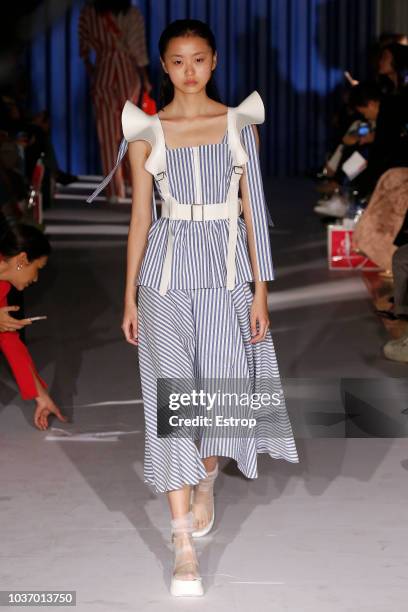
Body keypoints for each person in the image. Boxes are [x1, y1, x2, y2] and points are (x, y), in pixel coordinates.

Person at [87, 18, 299, 598]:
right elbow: (139, 221)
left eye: (198, 59)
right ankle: (182, 544)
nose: (188, 70)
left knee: (220, 399)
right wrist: (128, 295)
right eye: (177, 60)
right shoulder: (146, 131)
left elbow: (255, 213)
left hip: (228, 278)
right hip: (164, 278)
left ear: (214, 61)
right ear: (164, 64)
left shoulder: (238, 126)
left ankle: (206, 479)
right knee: (171, 402)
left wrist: (260, 290)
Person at [78, 0, 152, 203]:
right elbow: (139, 51)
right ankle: (132, 182)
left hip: (104, 72)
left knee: (108, 134)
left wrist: (93, 69)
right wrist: (146, 79)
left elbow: (83, 47)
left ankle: (115, 190)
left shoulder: (89, 12)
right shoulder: (131, 12)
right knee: (129, 131)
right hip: (128, 74)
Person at [0, 222, 67, 430]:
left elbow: (11, 342)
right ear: (22, 260)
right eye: (37, 269)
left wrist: (41, 395)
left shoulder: (2, 286)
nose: (36, 279)